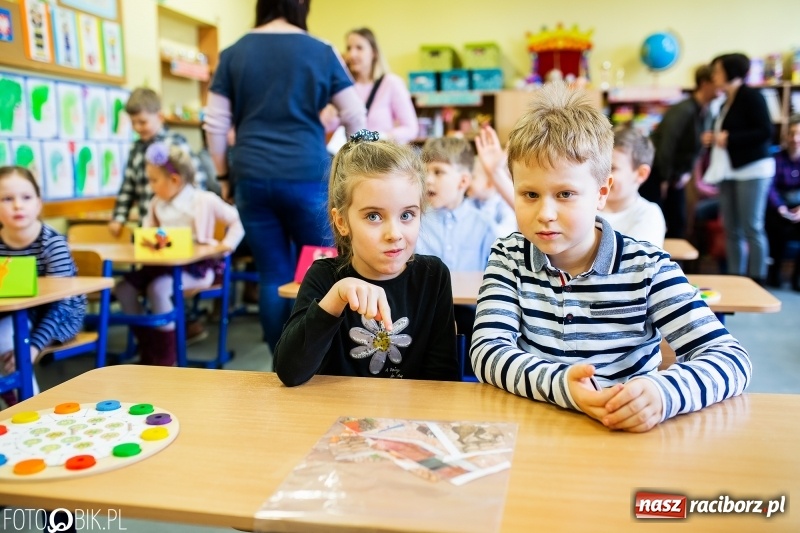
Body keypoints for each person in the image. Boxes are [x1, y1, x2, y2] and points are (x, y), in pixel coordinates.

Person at [470, 83, 751, 433]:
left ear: (601, 193)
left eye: (566, 194)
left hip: (623, 434)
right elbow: (486, 351)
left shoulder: (647, 268)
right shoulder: (508, 257)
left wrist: (663, 393)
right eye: (529, 194)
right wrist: (563, 387)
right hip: (534, 432)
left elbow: (731, 358)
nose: (546, 213)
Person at [204, 0, 367, 351]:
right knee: (323, 269)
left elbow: (215, 124)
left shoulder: (233, 53)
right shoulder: (321, 51)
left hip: (250, 174)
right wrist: (356, 167)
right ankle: (319, 353)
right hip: (308, 174)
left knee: (272, 275)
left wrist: (223, 177)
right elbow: (355, 112)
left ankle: (281, 357)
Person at [274, 131, 458, 386]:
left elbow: (444, 379)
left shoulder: (433, 276)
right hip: (334, 418)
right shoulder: (324, 277)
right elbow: (289, 372)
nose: (394, 234)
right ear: (342, 222)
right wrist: (336, 298)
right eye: (374, 216)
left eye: (407, 215)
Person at [114, 143, 244, 366]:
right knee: (123, 289)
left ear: (174, 180)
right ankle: (149, 344)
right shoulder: (157, 203)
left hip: (197, 269)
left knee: (159, 289)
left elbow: (236, 221)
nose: (151, 186)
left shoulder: (204, 200)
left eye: (154, 180)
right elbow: (148, 233)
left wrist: (226, 246)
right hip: (160, 266)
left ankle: (166, 356)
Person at [0, 166, 86, 404]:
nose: (18, 205)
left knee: (9, 336)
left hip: (59, 315)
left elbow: (60, 306)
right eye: (7, 199)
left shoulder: (52, 244)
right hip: (13, 313)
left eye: (26, 198)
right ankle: (12, 384)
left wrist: (33, 348)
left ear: (38, 204)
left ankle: (28, 403)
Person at [709, 52, 774, 282]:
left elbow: (766, 132)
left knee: (751, 226)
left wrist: (729, 138)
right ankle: (735, 276)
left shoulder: (752, 96)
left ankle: (757, 277)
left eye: (717, 70)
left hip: (753, 171)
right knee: (731, 228)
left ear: (731, 72)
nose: (714, 75)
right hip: (729, 171)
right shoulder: (725, 100)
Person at [108, 87, 207, 238]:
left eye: (142, 122)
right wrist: (119, 217)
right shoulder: (135, 149)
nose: (137, 127)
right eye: (133, 123)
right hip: (147, 227)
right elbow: (127, 187)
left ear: (159, 117)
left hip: (178, 227)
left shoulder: (174, 144)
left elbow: (196, 179)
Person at [649, 65, 720, 238]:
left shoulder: (705, 111)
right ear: (704, 83)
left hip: (676, 177)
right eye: (716, 81)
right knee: (663, 224)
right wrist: (665, 180)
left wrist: (686, 173)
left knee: (678, 223)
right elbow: (666, 145)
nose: (721, 86)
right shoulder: (683, 109)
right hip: (660, 176)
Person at [324, 27, 418, 145]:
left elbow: (411, 129)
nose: (352, 54)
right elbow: (329, 126)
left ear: (373, 52)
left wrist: (377, 137)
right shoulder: (343, 88)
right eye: (349, 48)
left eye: (359, 48)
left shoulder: (391, 83)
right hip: (350, 158)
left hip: (380, 157)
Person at [416, 137, 497, 271]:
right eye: (424, 172)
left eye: (438, 172)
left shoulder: (484, 225)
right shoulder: (416, 221)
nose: (428, 180)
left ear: (463, 181)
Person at [600, 125, 666, 247]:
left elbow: (637, 263)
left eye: (612, 168)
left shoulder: (648, 214)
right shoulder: (587, 208)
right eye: (599, 168)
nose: (601, 176)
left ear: (641, 174)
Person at [765, 115, 800, 290]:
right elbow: (770, 187)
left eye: (799, 134)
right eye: (792, 134)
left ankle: (797, 277)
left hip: (798, 208)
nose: (795, 139)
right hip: (778, 208)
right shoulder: (776, 157)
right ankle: (774, 272)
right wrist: (780, 207)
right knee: (777, 227)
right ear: (786, 136)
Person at [469, 125, 517, 238]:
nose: (468, 181)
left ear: (490, 184)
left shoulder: (504, 208)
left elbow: (503, 236)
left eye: (473, 177)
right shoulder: (471, 203)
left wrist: (496, 173)